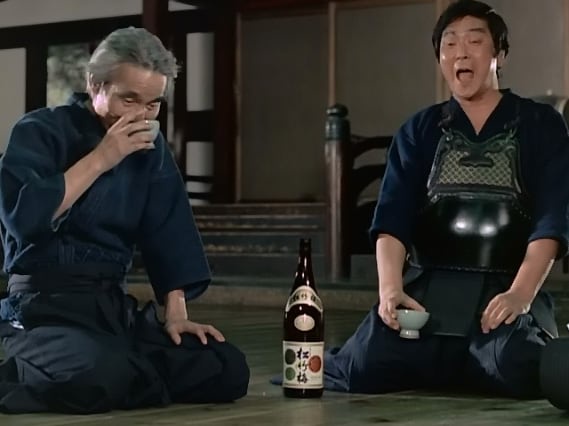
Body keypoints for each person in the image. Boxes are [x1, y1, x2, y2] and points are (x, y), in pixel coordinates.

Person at [323, 0, 569, 398]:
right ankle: (456, 363)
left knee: (514, 363)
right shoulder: (419, 129)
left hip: (504, 287)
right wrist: (390, 290)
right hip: (429, 289)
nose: (460, 53)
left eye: (474, 41)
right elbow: (391, 219)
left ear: (500, 53)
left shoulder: (541, 124)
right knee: (363, 364)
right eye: (449, 44)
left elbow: (553, 221)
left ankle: (470, 360)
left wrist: (520, 295)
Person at [0, 27, 249, 414]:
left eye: (153, 104)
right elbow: (25, 218)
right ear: (94, 84)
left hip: (111, 308)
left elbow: (170, 230)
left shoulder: (150, 149)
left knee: (225, 366)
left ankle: (124, 372)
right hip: (44, 308)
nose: (140, 115)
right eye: (128, 99)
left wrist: (176, 317)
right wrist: (103, 157)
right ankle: (30, 360)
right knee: (99, 372)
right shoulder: (39, 130)